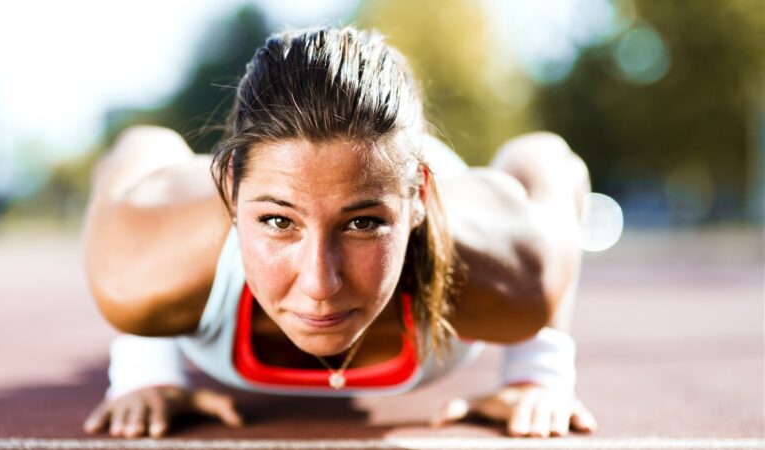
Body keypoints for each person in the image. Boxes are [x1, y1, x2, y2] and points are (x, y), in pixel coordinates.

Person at [81, 26, 598, 439]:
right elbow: (141, 145)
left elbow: (548, 159)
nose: (319, 284)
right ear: (234, 192)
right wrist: (147, 368)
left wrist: (537, 371)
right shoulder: (136, 272)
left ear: (419, 198)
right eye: (279, 222)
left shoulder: (514, 279)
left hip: (397, 165)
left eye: (362, 225)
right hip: (271, 178)